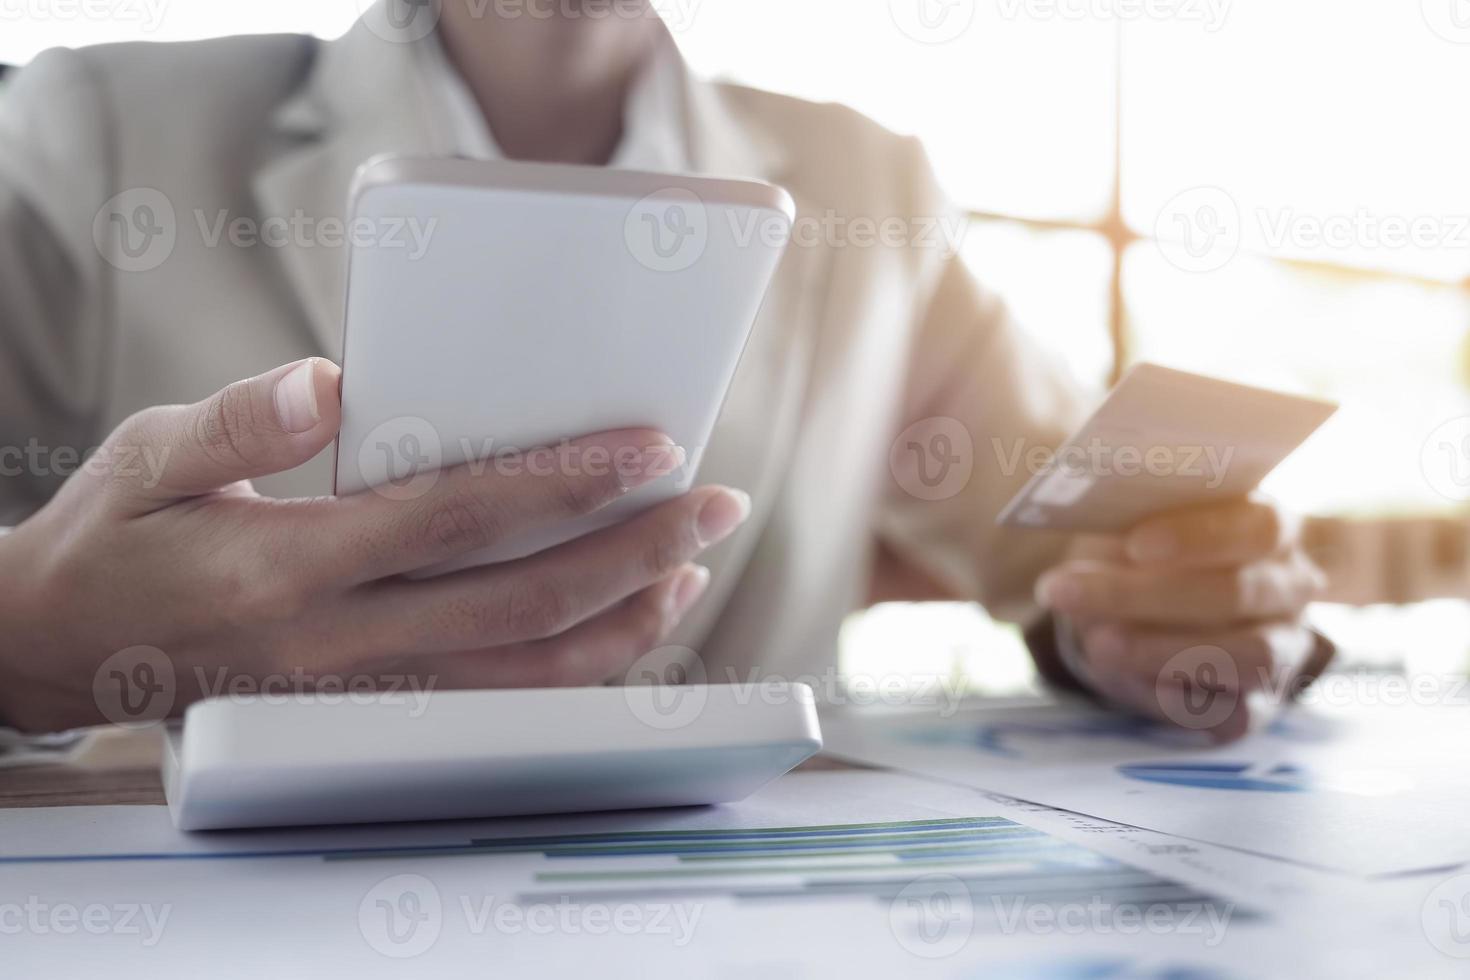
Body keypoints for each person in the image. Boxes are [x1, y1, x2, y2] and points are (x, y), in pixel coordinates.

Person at [0, 0, 1330, 736]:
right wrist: (28, 642)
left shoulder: (869, 190)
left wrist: (1174, 609)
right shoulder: (98, 135)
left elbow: (1072, 541)